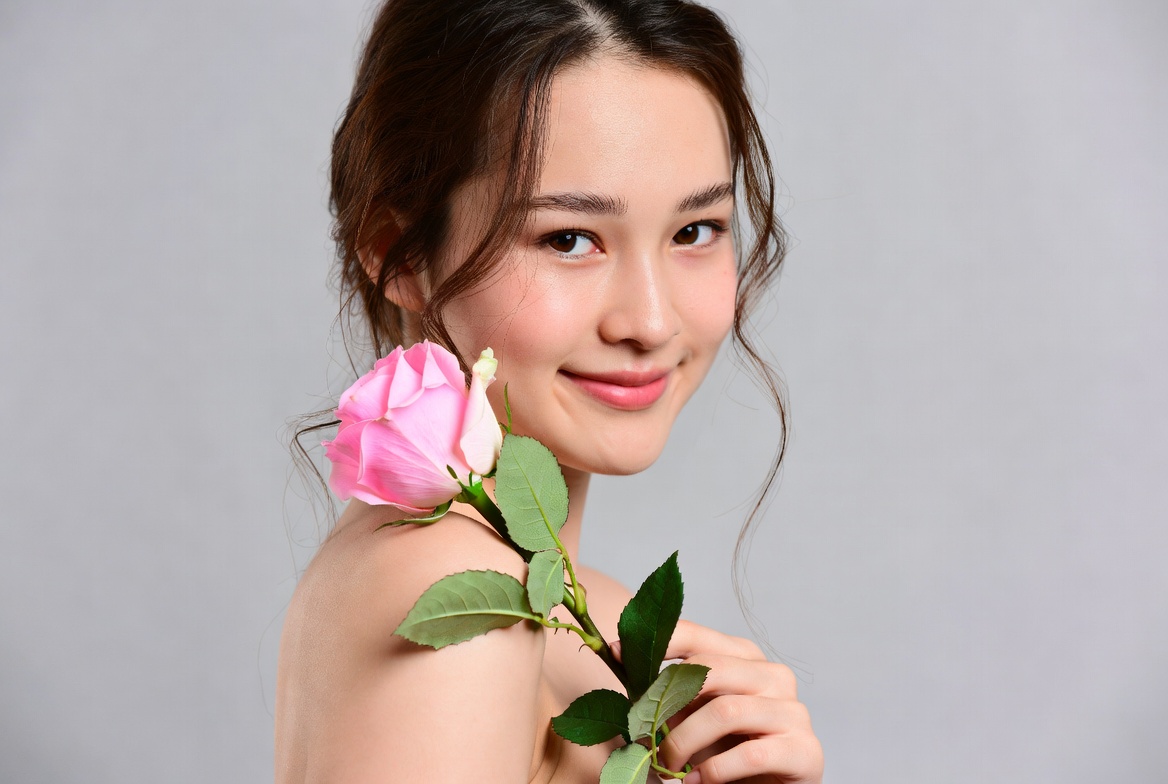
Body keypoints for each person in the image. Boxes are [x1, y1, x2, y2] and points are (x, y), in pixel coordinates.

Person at [275, 1, 823, 781]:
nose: (652, 320)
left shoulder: (577, 611)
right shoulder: (454, 608)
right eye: (569, 239)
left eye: (694, 230)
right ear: (400, 254)